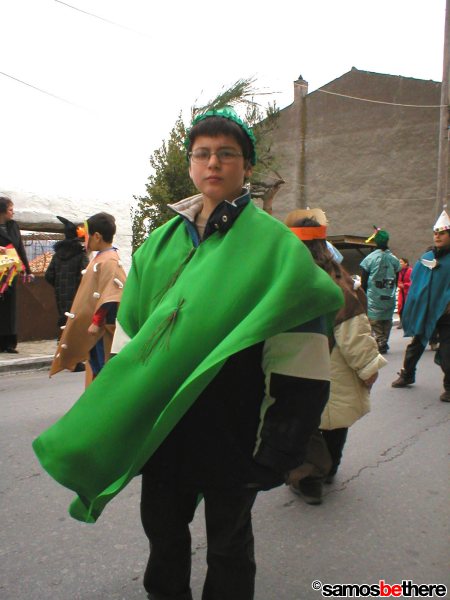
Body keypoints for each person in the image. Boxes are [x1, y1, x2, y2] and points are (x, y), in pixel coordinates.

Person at [33, 107, 343, 600]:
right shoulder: (159, 245)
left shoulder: (276, 248)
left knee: (229, 545)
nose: (213, 163)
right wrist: (122, 415)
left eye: (227, 153)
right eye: (202, 154)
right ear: (191, 164)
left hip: (235, 426)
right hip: (165, 429)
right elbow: (132, 343)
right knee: (162, 536)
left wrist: (280, 444)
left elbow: (300, 352)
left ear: (247, 166)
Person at [288, 213, 386, 505]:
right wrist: (367, 368)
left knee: (302, 422)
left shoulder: (285, 277)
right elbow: (354, 330)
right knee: (334, 421)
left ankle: (310, 478)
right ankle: (328, 468)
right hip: (333, 367)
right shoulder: (337, 277)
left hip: (295, 364)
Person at [49, 212, 126, 383]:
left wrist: (97, 322)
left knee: (102, 368)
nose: (85, 240)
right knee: (95, 365)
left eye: (87, 235)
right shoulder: (100, 257)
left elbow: (110, 294)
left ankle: (102, 397)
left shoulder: (110, 260)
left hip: (102, 327)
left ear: (97, 236)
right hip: (92, 324)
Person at [392, 210, 450, 402]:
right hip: (427, 311)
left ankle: (449, 387)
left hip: (446, 314)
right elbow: (417, 282)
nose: (437, 236)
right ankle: (407, 374)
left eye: (442, 233)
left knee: (447, 351)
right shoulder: (427, 257)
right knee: (416, 344)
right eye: (435, 233)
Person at [45, 216, 89, 371]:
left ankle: (64, 358)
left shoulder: (57, 256)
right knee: (75, 328)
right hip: (77, 296)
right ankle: (73, 362)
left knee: (64, 325)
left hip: (61, 296)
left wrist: (58, 286)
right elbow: (86, 275)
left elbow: (48, 275)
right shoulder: (80, 255)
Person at [0, 196, 34, 353]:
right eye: (10, 209)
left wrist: (27, 270)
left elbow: (20, 248)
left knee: (10, 307)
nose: (12, 212)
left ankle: (9, 343)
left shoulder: (13, 226)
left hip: (10, 271)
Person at [360, 227, 400, 354]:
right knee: (387, 319)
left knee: (375, 321)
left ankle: (380, 340)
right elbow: (396, 278)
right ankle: (383, 340)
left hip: (374, 296)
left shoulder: (369, 259)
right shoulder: (394, 259)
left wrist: (363, 294)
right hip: (389, 294)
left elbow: (364, 281)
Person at [396, 257, 412, 329]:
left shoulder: (410, 271)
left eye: (401, 262)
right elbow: (397, 280)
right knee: (400, 306)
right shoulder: (399, 272)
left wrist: (405, 285)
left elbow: (413, 281)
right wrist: (399, 284)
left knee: (408, 307)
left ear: (406, 263)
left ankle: (408, 322)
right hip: (401, 292)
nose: (400, 263)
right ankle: (401, 322)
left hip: (408, 292)